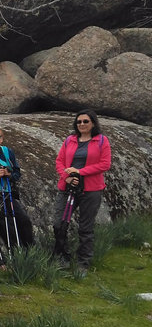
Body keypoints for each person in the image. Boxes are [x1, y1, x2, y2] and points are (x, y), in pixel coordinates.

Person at [53, 110, 112, 275]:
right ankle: (62, 256)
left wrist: (80, 172)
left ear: (93, 123)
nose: (82, 125)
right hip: (68, 187)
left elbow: (105, 164)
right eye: (79, 122)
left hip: (91, 189)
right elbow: (59, 161)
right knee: (59, 223)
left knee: (85, 228)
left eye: (86, 121)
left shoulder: (101, 141)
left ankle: (82, 263)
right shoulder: (69, 140)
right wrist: (67, 177)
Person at [0, 126, 35, 249]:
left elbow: (17, 173)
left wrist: (9, 175)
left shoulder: (7, 152)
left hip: (8, 192)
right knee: (5, 225)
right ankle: (14, 252)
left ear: (2, 139)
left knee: (24, 220)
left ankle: (30, 250)